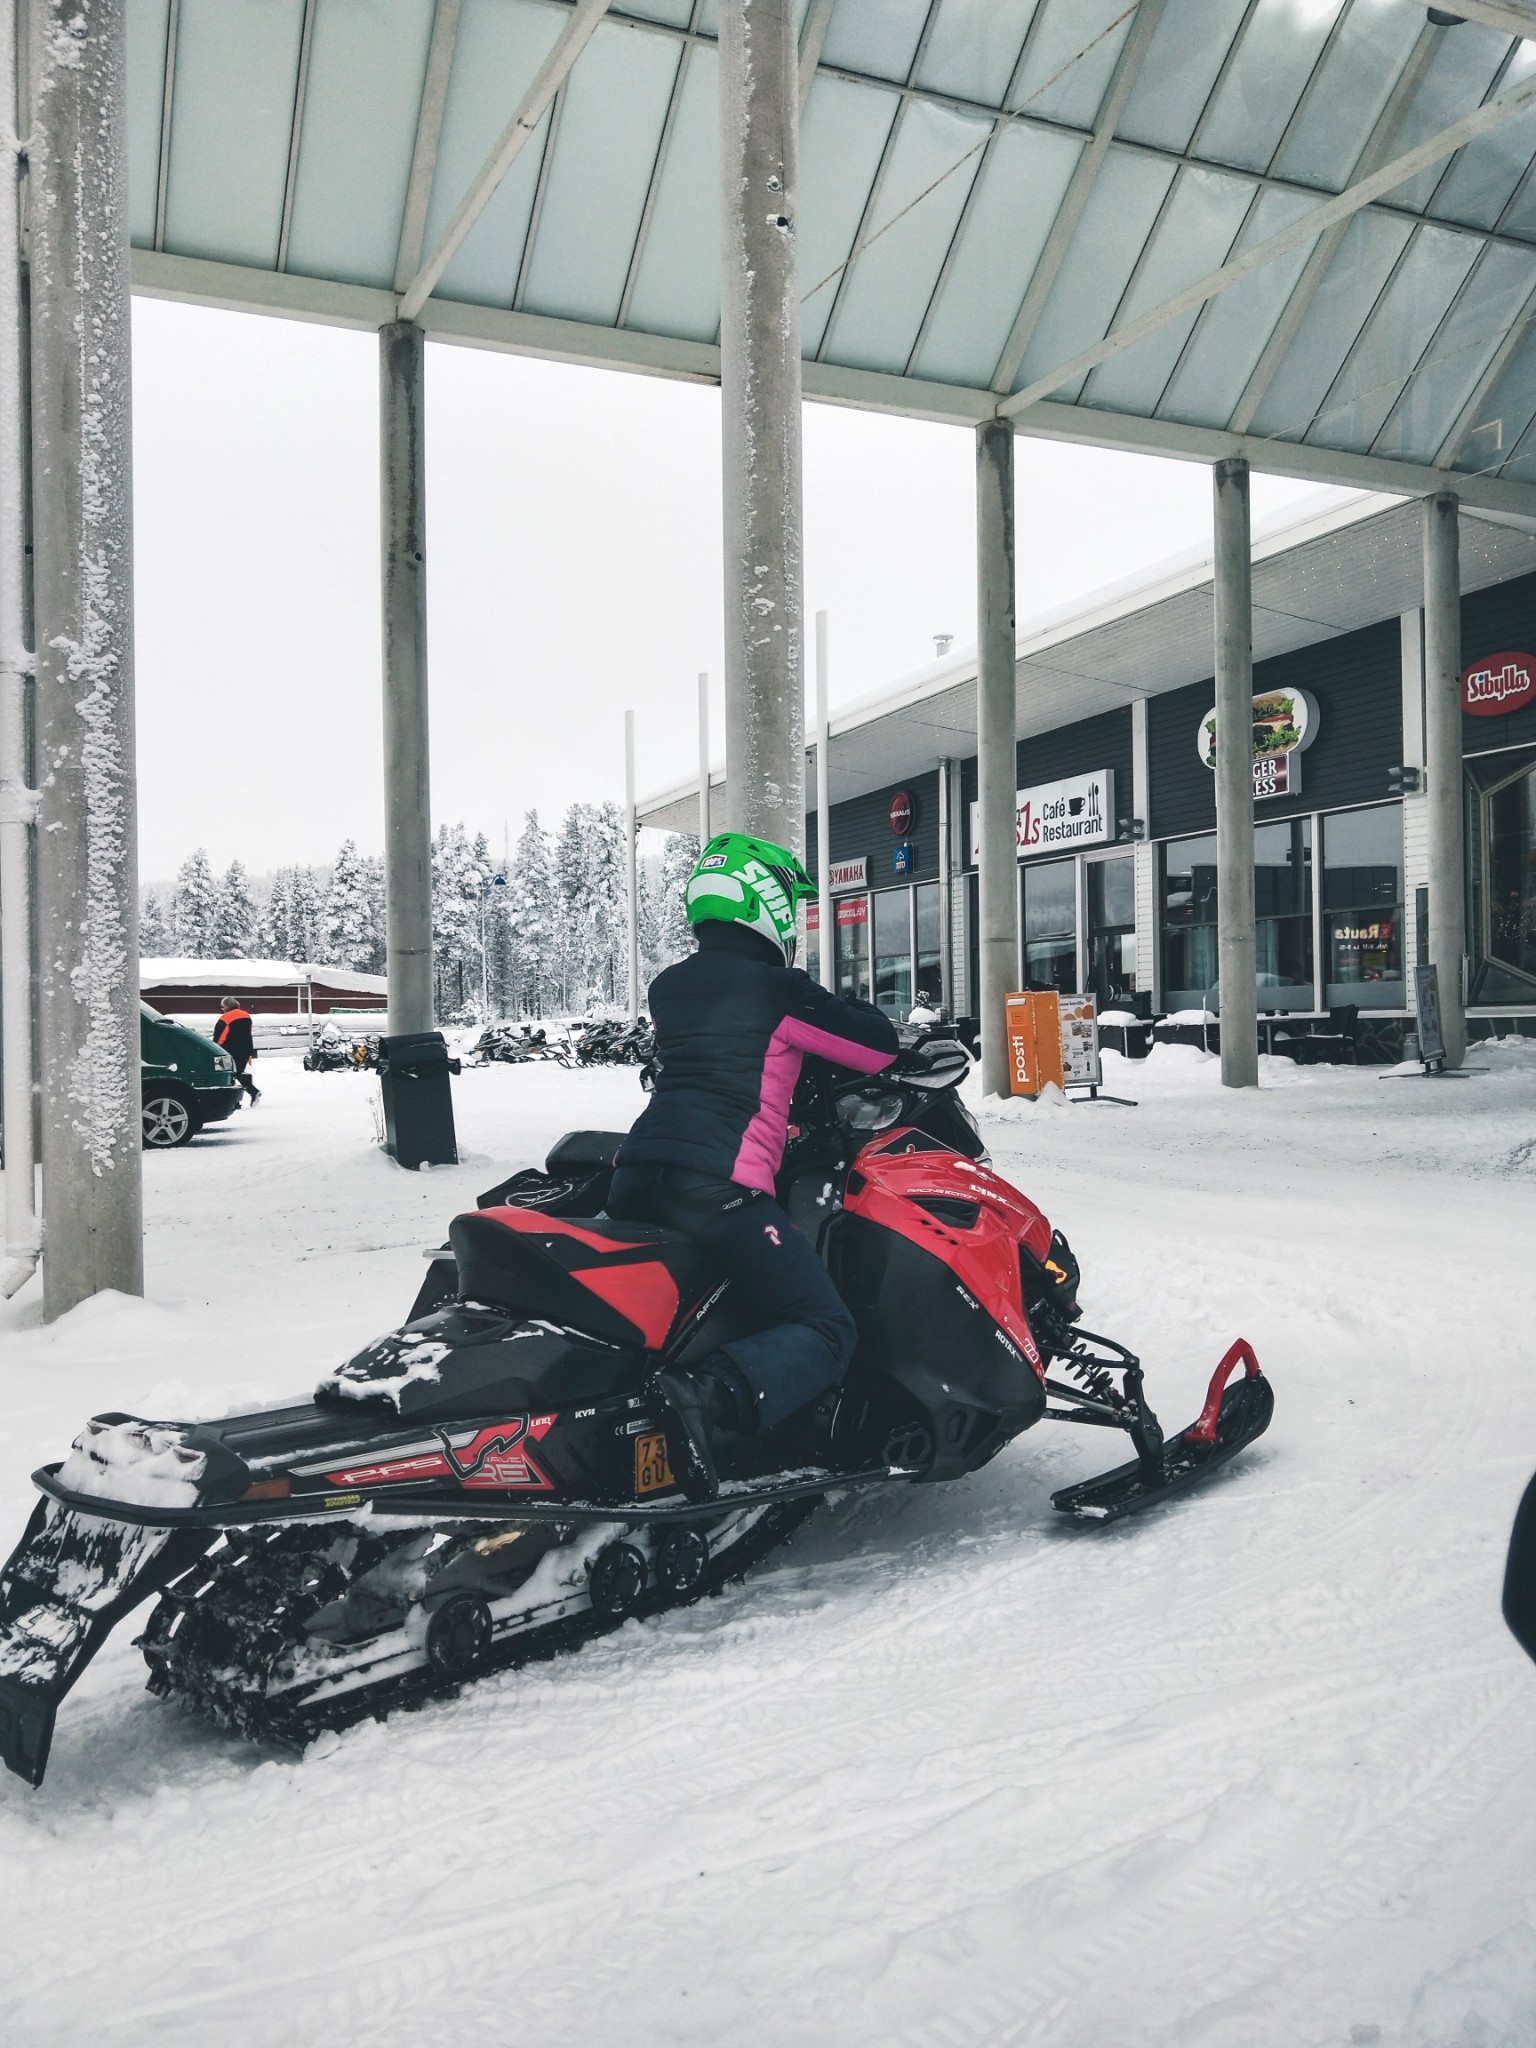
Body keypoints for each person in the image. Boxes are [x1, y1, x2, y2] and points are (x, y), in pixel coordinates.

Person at [607, 831, 899, 1500]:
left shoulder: (671, 985)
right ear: (765, 902)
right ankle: (702, 1400)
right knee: (826, 1327)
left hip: (638, 1172)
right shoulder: (776, 989)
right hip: (718, 1186)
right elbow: (876, 1049)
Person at [213, 995, 260, 1104]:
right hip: (245, 1049)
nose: (222, 1009)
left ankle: (235, 1101)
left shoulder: (225, 1018)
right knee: (238, 1073)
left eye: (223, 1007)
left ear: (227, 1006)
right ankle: (251, 1092)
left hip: (229, 1050)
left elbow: (220, 1036)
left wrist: (215, 1048)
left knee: (228, 1074)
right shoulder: (246, 1016)